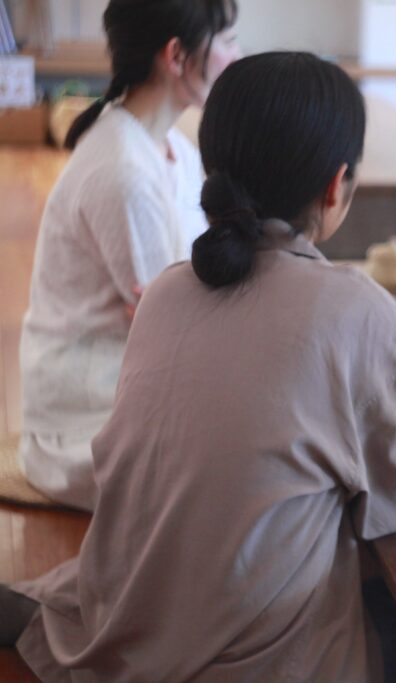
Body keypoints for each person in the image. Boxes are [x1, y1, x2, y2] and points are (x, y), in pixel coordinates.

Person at [4, 51, 396, 681]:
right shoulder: (357, 310)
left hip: (132, 622)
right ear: (336, 184)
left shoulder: (166, 293)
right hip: (255, 663)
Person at [18, 0, 242, 509]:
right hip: (85, 426)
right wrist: (180, 309)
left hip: (138, 386)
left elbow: (178, 309)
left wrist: (179, 307)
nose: (236, 54)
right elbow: (179, 328)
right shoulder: (125, 170)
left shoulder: (170, 148)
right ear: (176, 56)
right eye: (227, 40)